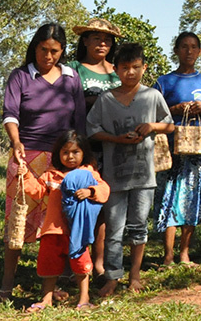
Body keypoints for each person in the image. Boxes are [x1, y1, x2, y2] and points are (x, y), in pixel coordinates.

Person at [0, 23, 86, 300]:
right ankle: (7, 284)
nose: (48, 56)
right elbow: (10, 114)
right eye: (43, 50)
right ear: (34, 47)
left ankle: (53, 285)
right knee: (17, 220)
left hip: (62, 161)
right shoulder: (20, 76)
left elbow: (79, 122)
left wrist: (79, 161)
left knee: (56, 224)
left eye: (54, 51)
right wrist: (16, 142)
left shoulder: (72, 78)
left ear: (62, 51)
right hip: (26, 157)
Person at [87, 42, 174, 296]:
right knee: (114, 229)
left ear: (144, 68)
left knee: (138, 227)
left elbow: (169, 125)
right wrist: (116, 139)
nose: (130, 73)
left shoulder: (152, 96)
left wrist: (152, 126)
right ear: (116, 69)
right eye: (124, 68)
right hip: (114, 177)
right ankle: (112, 276)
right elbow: (92, 129)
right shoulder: (105, 100)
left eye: (136, 67)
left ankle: (134, 275)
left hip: (144, 177)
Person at [18, 130, 110, 311]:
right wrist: (26, 175)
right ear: (58, 154)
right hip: (53, 229)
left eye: (75, 152)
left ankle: (84, 298)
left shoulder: (89, 174)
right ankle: (46, 299)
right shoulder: (51, 175)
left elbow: (104, 189)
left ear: (84, 153)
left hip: (78, 230)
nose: (70, 157)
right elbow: (37, 191)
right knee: (48, 264)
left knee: (81, 264)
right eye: (65, 152)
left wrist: (90, 191)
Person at [153, 32, 201, 265]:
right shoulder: (163, 82)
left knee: (192, 198)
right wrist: (174, 109)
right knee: (169, 197)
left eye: (193, 47)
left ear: (200, 52)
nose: (189, 51)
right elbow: (153, 111)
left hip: (198, 151)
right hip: (171, 149)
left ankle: (185, 252)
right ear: (176, 50)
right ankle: (168, 255)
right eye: (184, 47)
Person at [69, 16, 122, 276]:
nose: (102, 42)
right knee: (78, 203)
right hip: (83, 148)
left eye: (107, 39)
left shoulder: (118, 70)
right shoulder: (74, 69)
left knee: (103, 203)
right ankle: (74, 260)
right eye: (96, 38)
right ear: (85, 40)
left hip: (114, 148)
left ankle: (98, 262)